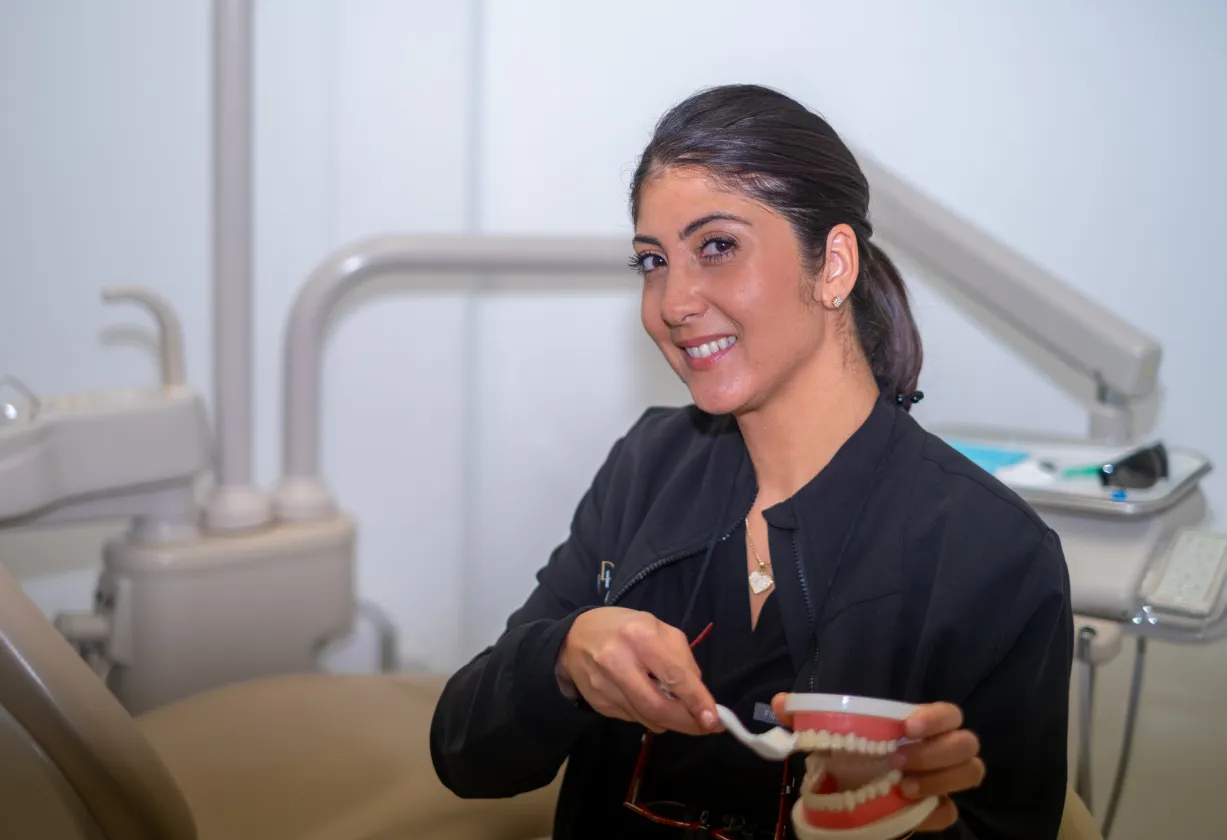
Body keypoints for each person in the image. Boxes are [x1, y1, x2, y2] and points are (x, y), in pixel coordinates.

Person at [430, 84, 1072, 839]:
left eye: (717, 247)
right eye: (651, 260)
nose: (672, 301)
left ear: (833, 265)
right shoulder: (649, 466)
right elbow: (465, 755)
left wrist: (901, 826)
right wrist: (563, 662)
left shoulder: (994, 556)